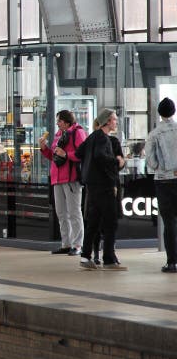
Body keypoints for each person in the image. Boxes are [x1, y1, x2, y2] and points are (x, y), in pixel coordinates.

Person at [75, 109, 127, 270]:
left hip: (92, 186)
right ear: (107, 122)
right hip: (104, 185)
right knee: (110, 222)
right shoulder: (104, 139)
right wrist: (116, 162)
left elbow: (79, 152)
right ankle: (109, 258)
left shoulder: (92, 136)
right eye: (114, 120)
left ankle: (85, 256)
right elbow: (100, 156)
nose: (116, 122)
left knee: (93, 222)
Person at [39, 110, 87, 255]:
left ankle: (78, 244)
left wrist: (66, 154)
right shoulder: (59, 135)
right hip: (57, 177)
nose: (57, 123)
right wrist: (44, 148)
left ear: (67, 122)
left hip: (71, 177)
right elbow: (54, 157)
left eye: (59, 121)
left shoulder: (78, 133)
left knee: (74, 212)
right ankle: (66, 243)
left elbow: (82, 153)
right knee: (61, 213)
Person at [145, 97, 177, 273]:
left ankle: (172, 261)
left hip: (163, 181)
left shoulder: (154, 134)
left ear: (159, 112)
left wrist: (161, 168)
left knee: (169, 222)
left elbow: (150, 160)